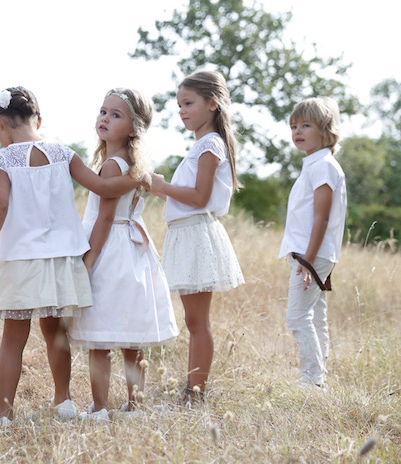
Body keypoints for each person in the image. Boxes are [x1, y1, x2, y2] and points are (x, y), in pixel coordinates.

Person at [0, 86, 149, 429]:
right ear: (39, 120)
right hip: (63, 258)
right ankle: (63, 399)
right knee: (55, 332)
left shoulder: (2, 159)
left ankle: (3, 413)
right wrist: (137, 178)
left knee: (14, 336)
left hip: (23, 258)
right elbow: (100, 188)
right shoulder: (62, 153)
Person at [68, 88, 179, 422]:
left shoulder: (111, 168)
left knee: (99, 336)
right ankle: (135, 405)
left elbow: (104, 218)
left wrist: (89, 261)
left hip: (111, 250)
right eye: (103, 111)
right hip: (134, 251)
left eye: (116, 115)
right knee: (132, 337)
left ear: (133, 128)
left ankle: (100, 408)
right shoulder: (134, 165)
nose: (104, 118)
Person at [150, 70, 244, 405]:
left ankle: (195, 391)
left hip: (196, 236)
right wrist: (161, 191)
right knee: (193, 319)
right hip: (186, 234)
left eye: (188, 103)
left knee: (197, 321)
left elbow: (200, 197)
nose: (182, 111)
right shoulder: (201, 145)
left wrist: (162, 186)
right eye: (179, 105)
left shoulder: (210, 144)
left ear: (212, 103)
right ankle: (192, 388)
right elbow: (187, 198)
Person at [278, 96, 347, 389]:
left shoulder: (323, 167)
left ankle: (312, 379)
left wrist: (307, 260)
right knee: (316, 315)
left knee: (297, 316)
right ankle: (318, 379)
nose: (298, 130)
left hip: (312, 254)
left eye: (306, 125)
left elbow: (321, 218)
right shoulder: (315, 165)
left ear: (326, 129)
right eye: (294, 125)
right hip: (313, 252)